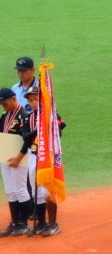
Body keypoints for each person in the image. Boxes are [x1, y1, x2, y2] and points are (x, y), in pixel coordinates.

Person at [24, 84, 66, 236]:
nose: (33, 102)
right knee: (37, 192)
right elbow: (26, 137)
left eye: (36, 99)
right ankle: (41, 224)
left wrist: (47, 129)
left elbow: (59, 131)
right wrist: (38, 130)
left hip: (47, 157)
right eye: (30, 100)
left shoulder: (51, 115)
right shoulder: (29, 117)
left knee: (48, 191)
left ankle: (54, 224)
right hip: (34, 156)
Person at [0, 87, 36, 236]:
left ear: (14, 98)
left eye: (5, 102)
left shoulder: (24, 115)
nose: (3, 106)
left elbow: (27, 140)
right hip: (5, 155)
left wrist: (18, 158)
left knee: (21, 189)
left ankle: (23, 223)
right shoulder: (5, 115)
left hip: (19, 156)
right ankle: (15, 223)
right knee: (10, 191)